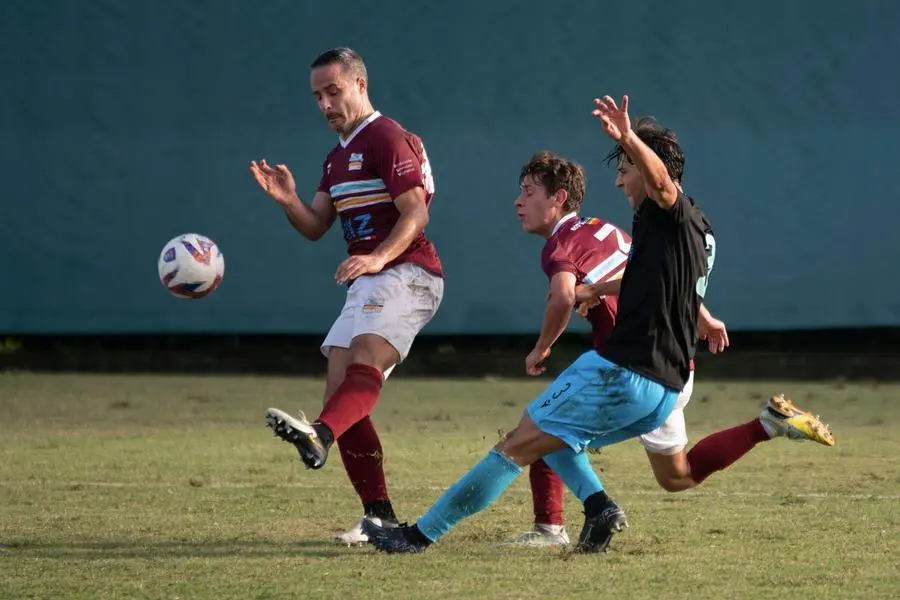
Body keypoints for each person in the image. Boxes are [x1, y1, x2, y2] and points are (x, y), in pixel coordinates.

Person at [359, 93, 717, 553]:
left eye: (625, 168)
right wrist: (702, 316)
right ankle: (598, 507)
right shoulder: (692, 231)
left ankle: (418, 535)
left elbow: (659, 190)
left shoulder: (665, 211)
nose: (619, 179)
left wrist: (629, 137)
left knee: (517, 444)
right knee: (557, 437)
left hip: (622, 368)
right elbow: (665, 284)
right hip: (667, 387)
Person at [507, 121, 834, 548]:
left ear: (558, 198)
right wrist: (702, 314)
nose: (619, 178)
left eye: (528, 192)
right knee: (677, 476)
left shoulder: (598, 231)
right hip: (673, 362)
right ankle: (768, 425)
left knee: (550, 429)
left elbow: (566, 297)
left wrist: (545, 343)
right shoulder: (627, 231)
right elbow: (657, 277)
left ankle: (555, 527)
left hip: (640, 366)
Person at [249, 47, 444, 545]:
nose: (325, 104)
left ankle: (319, 434)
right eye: (317, 96)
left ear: (360, 84)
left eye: (333, 91)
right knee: (343, 397)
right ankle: (378, 517)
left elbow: (415, 213)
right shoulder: (336, 156)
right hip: (370, 278)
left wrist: (378, 256)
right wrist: (289, 200)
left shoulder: (384, 136)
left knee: (361, 364)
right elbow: (316, 227)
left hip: (408, 272)